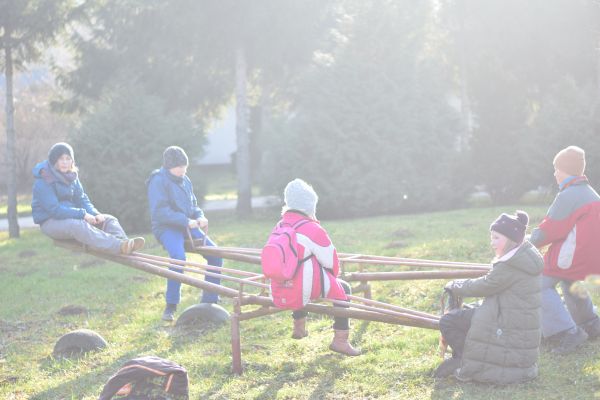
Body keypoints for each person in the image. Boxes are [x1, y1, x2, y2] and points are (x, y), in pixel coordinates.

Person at [435, 211, 543, 383]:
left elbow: (484, 285)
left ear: (511, 240)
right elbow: (492, 284)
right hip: (514, 320)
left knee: (448, 320)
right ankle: (469, 356)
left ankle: (466, 361)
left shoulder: (511, 266)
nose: (492, 243)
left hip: (507, 324)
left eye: (496, 238)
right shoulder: (522, 257)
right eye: (491, 237)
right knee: (466, 312)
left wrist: (455, 286)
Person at [276, 178, 360, 356]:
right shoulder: (312, 229)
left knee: (298, 272)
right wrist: (331, 277)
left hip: (280, 285)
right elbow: (331, 262)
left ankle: (299, 327)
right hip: (303, 288)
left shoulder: (280, 226)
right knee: (343, 288)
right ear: (310, 206)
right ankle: (340, 340)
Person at [529, 145, 600, 354]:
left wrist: (528, 242)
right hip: (591, 258)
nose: (554, 173)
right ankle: (591, 324)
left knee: (537, 284)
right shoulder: (591, 193)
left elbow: (549, 230)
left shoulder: (569, 195)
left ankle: (567, 332)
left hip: (572, 258)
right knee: (573, 285)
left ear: (565, 170)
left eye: (556, 169)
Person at [147, 146, 223, 322]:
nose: (183, 170)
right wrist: (184, 220)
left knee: (215, 253)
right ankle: (171, 305)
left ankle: (210, 301)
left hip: (187, 225)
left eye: (185, 166)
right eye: (179, 167)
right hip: (167, 227)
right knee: (178, 256)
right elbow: (160, 211)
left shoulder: (185, 180)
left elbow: (193, 206)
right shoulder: (158, 180)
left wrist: (200, 216)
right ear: (169, 166)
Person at [32, 142, 145, 255]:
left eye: (68, 158)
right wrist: (82, 214)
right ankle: (118, 246)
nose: (65, 162)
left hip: (72, 217)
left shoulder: (72, 176)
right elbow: (54, 210)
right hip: (50, 221)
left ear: (72, 161)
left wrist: (95, 213)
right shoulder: (44, 180)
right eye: (61, 159)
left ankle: (125, 244)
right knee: (78, 226)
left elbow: (82, 200)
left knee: (109, 219)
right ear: (54, 161)